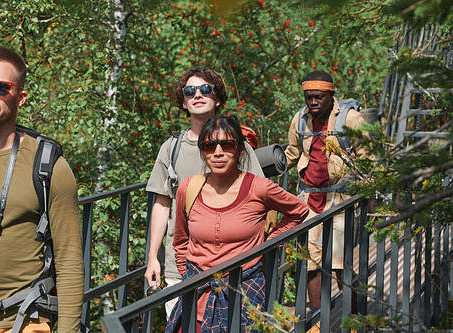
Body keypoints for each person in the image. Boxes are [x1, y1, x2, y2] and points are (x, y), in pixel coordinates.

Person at [0, 46, 84, 332]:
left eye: (1, 87)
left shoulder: (51, 168)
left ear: (20, 97)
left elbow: (70, 261)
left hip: (25, 321)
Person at [165, 116, 309, 332]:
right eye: (209, 146)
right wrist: (188, 275)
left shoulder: (259, 188)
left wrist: (269, 243)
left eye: (228, 144)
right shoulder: (189, 188)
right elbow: (180, 239)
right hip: (197, 290)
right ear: (202, 152)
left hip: (244, 288)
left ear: (240, 150)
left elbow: (298, 211)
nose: (218, 152)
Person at [144, 67, 265, 317]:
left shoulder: (237, 146)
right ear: (184, 102)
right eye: (190, 91)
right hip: (181, 267)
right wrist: (153, 257)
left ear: (217, 98)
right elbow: (161, 205)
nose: (197, 94)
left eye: (206, 89)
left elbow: (262, 198)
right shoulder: (171, 148)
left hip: (236, 267)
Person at [285, 70, 367, 314]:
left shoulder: (351, 119)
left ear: (331, 95)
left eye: (318, 97)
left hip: (340, 199)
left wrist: (369, 196)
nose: (313, 102)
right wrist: (252, 169)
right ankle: (319, 317)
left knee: (340, 262)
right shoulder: (300, 119)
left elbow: (367, 157)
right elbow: (291, 153)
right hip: (309, 199)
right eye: (308, 97)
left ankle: (353, 316)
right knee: (309, 261)